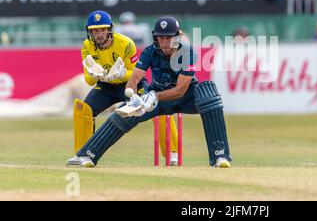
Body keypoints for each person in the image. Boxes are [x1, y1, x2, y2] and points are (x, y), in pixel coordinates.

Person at [67, 16, 232, 168]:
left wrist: (153, 95)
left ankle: (220, 156)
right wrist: (132, 94)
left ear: (177, 36)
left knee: (209, 96)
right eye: (161, 38)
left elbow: (181, 89)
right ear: (155, 37)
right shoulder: (149, 51)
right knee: (124, 113)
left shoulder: (187, 52)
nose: (165, 43)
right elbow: (135, 78)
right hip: (156, 99)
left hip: (186, 97)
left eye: (169, 38)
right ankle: (88, 155)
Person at [70, 10, 148, 156]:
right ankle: (82, 155)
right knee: (83, 110)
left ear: (109, 29)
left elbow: (138, 74)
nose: (99, 34)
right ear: (89, 32)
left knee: (157, 108)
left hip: (131, 85)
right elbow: (88, 80)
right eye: (95, 31)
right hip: (107, 87)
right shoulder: (87, 46)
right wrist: (95, 74)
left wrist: (122, 74)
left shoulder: (126, 43)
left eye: (103, 30)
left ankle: (172, 152)